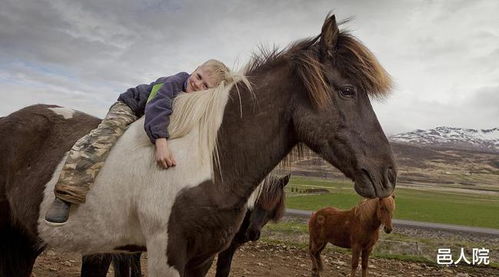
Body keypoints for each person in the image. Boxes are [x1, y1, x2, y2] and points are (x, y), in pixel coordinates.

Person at [45, 59, 231, 225]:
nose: (197, 84)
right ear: (194, 69)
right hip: (131, 107)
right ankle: (66, 194)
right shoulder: (173, 82)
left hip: (148, 118)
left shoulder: (196, 102)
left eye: (205, 85)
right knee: (105, 136)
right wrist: (160, 143)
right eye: (198, 76)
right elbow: (157, 107)